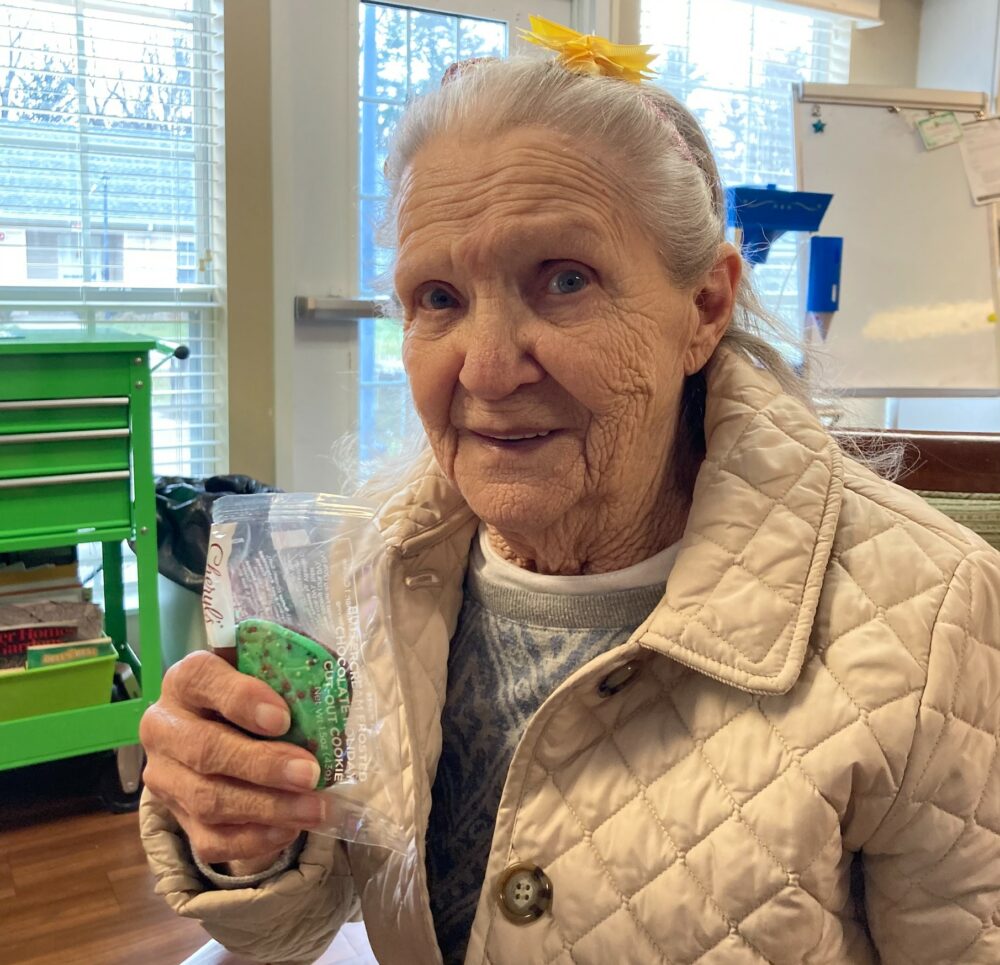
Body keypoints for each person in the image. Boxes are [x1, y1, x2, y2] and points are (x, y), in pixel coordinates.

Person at [139, 19, 1000, 965]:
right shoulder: (374, 569)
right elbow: (297, 926)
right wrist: (243, 840)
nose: (489, 366)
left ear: (705, 309)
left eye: (564, 279)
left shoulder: (933, 621)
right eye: (438, 298)